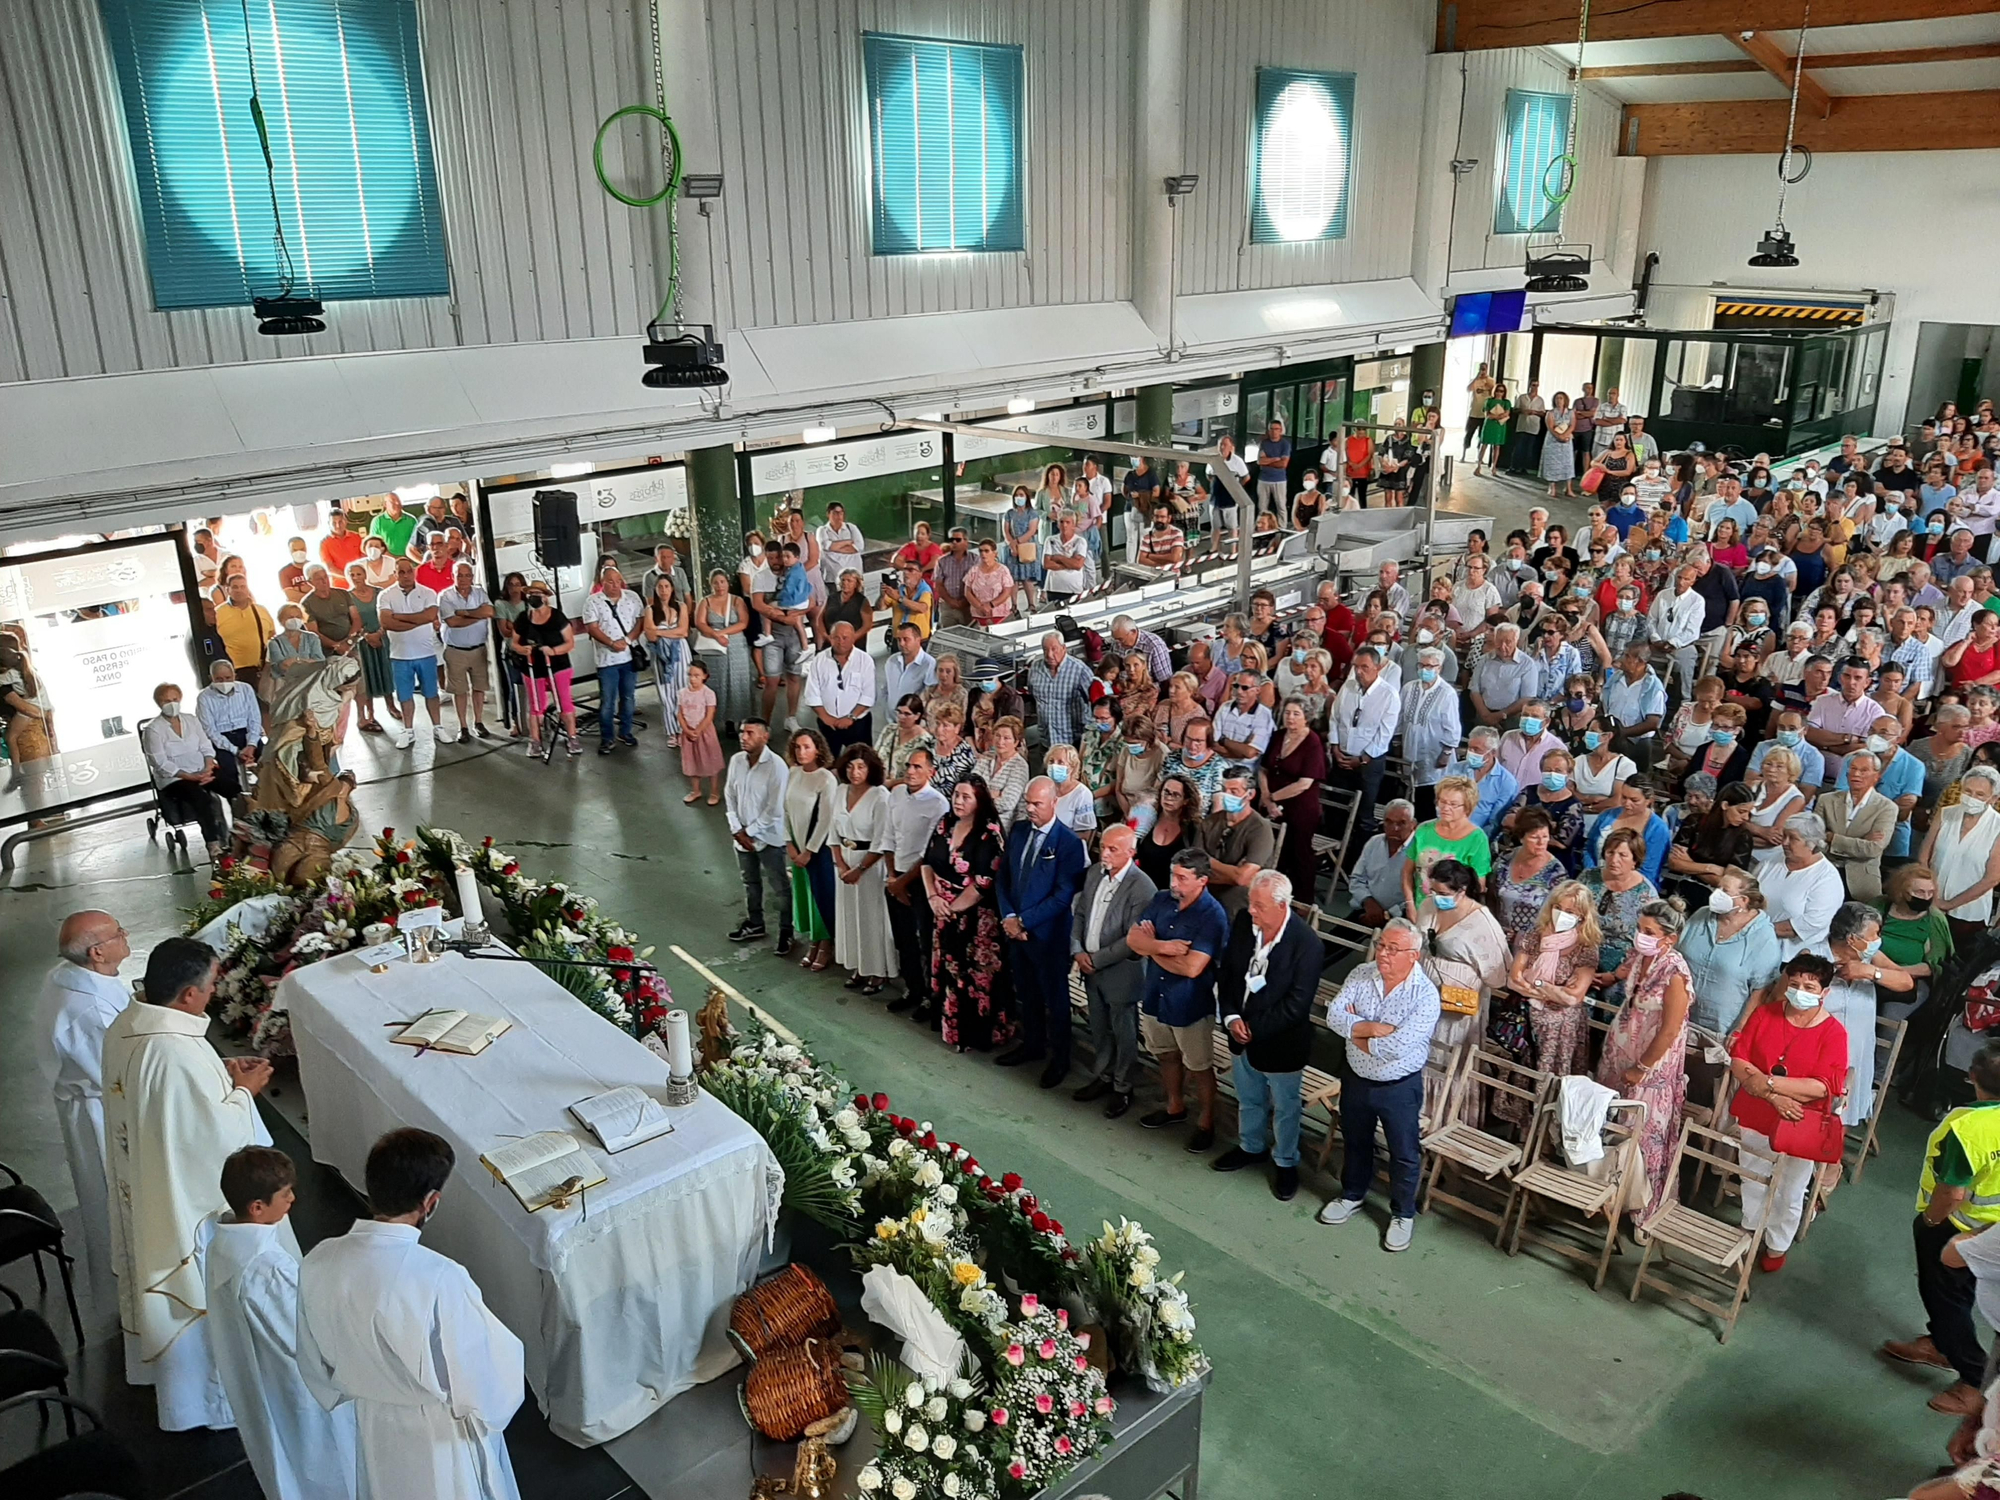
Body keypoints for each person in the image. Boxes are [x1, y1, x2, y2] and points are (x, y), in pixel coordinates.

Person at [104, 937, 274, 1429]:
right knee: (200, 1293)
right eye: (212, 984)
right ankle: (207, 1406)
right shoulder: (173, 1050)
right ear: (187, 997)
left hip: (145, 1181)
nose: (215, 991)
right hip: (184, 1204)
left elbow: (161, 1103)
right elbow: (215, 1141)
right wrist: (243, 1093)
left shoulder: (129, 1025)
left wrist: (218, 1075)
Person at [298, 1129, 524, 1500]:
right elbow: (488, 1381)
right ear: (430, 1202)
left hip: (372, 1425)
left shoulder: (319, 1259)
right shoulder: (439, 1277)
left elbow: (313, 1362)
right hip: (436, 1433)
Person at [202, 1147, 358, 1500]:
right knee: (324, 1461)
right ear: (257, 1207)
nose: (293, 1199)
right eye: (285, 1193)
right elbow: (304, 1338)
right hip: (297, 1386)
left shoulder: (222, 1240)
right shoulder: (266, 1267)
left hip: (259, 1373)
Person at [1884, 1044, 2000, 1418]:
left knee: (1944, 1296)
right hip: (1993, 1230)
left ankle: (1972, 1377)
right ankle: (1940, 1344)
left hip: (1957, 1227)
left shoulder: (1968, 1128)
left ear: (1972, 1077)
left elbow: (1952, 1191)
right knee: (1960, 1294)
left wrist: (1931, 1223)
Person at [1316, 919, 1440, 1252]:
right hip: (1356, 1077)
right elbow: (1334, 1017)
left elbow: (1397, 1047)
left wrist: (1355, 1033)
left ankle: (1402, 1213)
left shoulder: (1425, 996)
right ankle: (1352, 1194)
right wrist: (1370, 1026)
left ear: (1412, 956)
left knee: (1403, 1152)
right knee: (1355, 1140)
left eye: (1393, 949)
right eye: (1381, 945)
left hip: (1398, 1087)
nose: (1382, 953)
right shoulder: (1361, 973)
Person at [1207, 870, 1326, 1202]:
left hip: (1282, 1043)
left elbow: (1297, 1005)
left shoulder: (1307, 945)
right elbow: (1229, 972)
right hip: (1239, 1032)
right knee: (1249, 1098)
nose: (1252, 911)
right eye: (1251, 903)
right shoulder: (1246, 922)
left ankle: (1286, 1161)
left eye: (1259, 905)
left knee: (1286, 1108)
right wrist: (1231, 1017)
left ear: (1281, 905)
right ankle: (1251, 1146)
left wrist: (1253, 1029)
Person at [35, 909, 131, 1292]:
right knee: (117, 1205)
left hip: (96, 1103)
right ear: (96, 952)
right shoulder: (88, 1011)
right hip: (102, 1115)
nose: (125, 934)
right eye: (117, 933)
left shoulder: (71, 978)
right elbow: (118, 1074)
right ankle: (129, 1297)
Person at [1598, 900, 1693, 1222]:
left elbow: (1669, 1031)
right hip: (1620, 1049)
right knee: (1611, 1126)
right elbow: (1625, 981)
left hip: (1651, 1064)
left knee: (1641, 1133)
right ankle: (1606, 1194)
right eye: (1640, 929)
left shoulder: (1676, 973)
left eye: (1649, 932)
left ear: (1670, 938)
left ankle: (1642, 1208)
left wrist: (1641, 1068)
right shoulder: (1640, 956)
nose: (1641, 936)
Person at [1131, 849, 1232, 1153]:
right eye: (1173, 875)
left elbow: (1192, 968)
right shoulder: (1163, 899)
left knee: (1199, 1066)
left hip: (1190, 1004)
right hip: (1155, 996)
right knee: (1165, 1054)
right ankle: (1174, 1106)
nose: (1174, 882)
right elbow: (1133, 941)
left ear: (1202, 881)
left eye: (1182, 878)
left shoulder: (1212, 916)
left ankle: (1206, 1122)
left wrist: (1150, 948)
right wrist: (1163, 947)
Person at [995, 777, 1089, 1085]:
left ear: (1054, 803)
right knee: (1027, 992)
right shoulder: (1020, 831)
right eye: (1028, 802)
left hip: (1048, 936)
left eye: (1037, 803)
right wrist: (1009, 916)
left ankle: (1060, 1059)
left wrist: (1023, 922)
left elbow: (1063, 896)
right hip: (1016, 932)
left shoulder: (1070, 843)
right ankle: (1032, 1045)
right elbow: (1004, 878)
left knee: (1056, 999)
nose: (1031, 808)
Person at [1070, 824, 1158, 1119]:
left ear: (1131, 853)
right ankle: (1103, 1076)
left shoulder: (1143, 887)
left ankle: (1123, 1087)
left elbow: (1132, 940)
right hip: (1089, 967)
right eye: (1103, 847)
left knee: (1123, 1030)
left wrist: (1097, 959)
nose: (1104, 853)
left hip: (1120, 972)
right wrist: (1078, 950)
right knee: (1098, 1026)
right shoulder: (1095, 873)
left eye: (1112, 849)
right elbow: (1080, 913)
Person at [923, 775, 1014, 1052]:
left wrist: (950, 908)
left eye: (966, 797)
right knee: (948, 970)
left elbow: (983, 882)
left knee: (974, 977)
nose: (958, 801)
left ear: (979, 801)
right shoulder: (946, 822)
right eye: (956, 795)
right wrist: (933, 898)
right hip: (942, 908)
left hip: (975, 917)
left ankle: (976, 1035)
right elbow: (927, 862)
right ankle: (950, 1027)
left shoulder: (989, 832)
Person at [885, 749, 949, 1018]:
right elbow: (888, 837)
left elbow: (928, 853)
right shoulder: (896, 795)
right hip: (894, 876)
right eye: (908, 766)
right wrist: (891, 877)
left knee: (925, 942)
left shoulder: (938, 804)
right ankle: (912, 989)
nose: (910, 771)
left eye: (917, 767)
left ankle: (930, 998)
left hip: (920, 881)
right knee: (903, 940)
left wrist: (902, 883)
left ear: (931, 772)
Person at [831, 744, 897, 996]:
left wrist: (859, 869)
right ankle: (859, 965)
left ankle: (877, 970)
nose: (854, 772)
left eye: (860, 767)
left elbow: (882, 840)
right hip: (845, 863)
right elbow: (832, 832)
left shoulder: (880, 796)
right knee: (850, 916)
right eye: (850, 766)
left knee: (872, 917)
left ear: (871, 769)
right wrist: (841, 864)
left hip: (869, 864)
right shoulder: (840, 791)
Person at [142, 682, 232, 858]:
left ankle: (240, 830)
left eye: (175, 699)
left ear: (180, 698)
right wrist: (189, 777)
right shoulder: (153, 730)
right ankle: (213, 843)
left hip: (201, 770)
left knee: (230, 786)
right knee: (201, 798)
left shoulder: (191, 720)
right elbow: (159, 762)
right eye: (166, 700)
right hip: (175, 779)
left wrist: (208, 767)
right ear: (158, 703)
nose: (172, 703)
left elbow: (206, 746)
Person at [726, 719, 794, 953]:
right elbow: (730, 796)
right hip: (742, 838)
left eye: (750, 733)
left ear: (765, 736)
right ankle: (755, 923)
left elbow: (774, 809)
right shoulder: (736, 761)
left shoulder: (777, 767)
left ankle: (787, 931)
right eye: (742, 732)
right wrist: (736, 829)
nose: (743, 737)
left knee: (780, 887)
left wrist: (749, 832)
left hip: (770, 839)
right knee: (750, 883)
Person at [1922, 764, 2000, 951]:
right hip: (1930, 902)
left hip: (1968, 914)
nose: (1971, 798)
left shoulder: (1997, 826)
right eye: (1968, 791)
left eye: (1980, 794)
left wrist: (1949, 904)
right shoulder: (1946, 813)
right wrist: (1931, 894)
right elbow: (1924, 855)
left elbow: (1992, 878)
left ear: (1993, 798)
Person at [784, 728, 840, 972]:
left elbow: (826, 819)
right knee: (805, 894)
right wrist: (789, 843)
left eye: (807, 747)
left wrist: (809, 851)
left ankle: (826, 942)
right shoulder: (793, 773)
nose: (801, 752)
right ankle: (814, 941)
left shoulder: (826, 779)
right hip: (796, 843)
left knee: (821, 895)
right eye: (797, 747)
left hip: (818, 848)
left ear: (818, 749)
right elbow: (784, 809)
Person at [376, 556, 444, 750]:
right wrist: (418, 619)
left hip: (426, 653)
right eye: (401, 572)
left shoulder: (428, 593)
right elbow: (387, 623)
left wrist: (399, 617)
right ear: (395, 573)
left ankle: (438, 727)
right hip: (400, 655)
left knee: (432, 693)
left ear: (414, 572)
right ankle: (407, 730)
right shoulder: (386, 596)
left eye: (409, 571)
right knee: (405, 696)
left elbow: (430, 616)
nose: (406, 575)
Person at [1401, 777, 1493, 915]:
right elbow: (1407, 872)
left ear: (1467, 807)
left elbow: (1478, 885)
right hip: (1420, 909)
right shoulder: (1423, 830)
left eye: (1453, 804)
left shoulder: (1477, 839)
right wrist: (1410, 905)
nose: (1445, 808)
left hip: (1455, 914)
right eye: (1442, 801)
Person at [509, 583, 582, 757]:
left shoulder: (557, 617)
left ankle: (572, 737)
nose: (534, 597)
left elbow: (570, 643)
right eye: (531, 594)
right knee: (536, 705)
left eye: (538, 594)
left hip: (558, 665)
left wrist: (554, 651)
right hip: (533, 666)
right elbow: (514, 642)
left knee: (564, 702)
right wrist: (521, 649)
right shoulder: (523, 618)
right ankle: (535, 741)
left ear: (545, 597)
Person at [1199, 767, 1277, 922]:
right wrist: (1233, 873)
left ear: (1250, 794)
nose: (1227, 795)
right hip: (1203, 894)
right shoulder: (1209, 822)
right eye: (1224, 790)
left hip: (1238, 903)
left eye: (1234, 791)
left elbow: (1242, 878)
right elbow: (1194, 865)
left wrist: (1210, 862)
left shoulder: (1260, 829)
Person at [583, 566, 644, 754]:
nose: (615, 585)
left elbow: (640, 621)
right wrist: (610, 642)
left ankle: (625, 732)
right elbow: (592, 627)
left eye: (618, 581)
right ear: (602, 583)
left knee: (628, 697)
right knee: (608, 700)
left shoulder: (632, 597)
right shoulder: (592, 602)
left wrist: (627, 640)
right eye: (610, 581)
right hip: (606, 660)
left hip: (629, 656)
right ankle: (607, 738)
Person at [1820, 749, 1896, 899]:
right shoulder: (1826, 800)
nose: (1856, 774)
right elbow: (1814, 840)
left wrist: (1832, 838)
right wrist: (1860, 839)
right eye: (1853, 769)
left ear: (1876, 776)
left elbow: (1873, 849)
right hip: (1825, 875)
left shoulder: (1887, 807)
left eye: (1864, 770)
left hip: (1861, 883)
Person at [435, 561, 495, 743]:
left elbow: (490, 611)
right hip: (455, 650)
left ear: (472, 576)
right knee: (459, 690)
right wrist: (477, 615)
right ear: (453, 576)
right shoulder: (445, 596)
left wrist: (465, 613)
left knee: (479, 687)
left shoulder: (479, 592)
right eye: (459, 575)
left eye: (467, 575)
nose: (463, 579)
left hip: (478, 649)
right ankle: (463, 726)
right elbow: (452, 622)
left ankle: (478, 722)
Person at [695, 570, 755, 732]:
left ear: (728, 583)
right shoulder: (705, 602)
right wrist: (715, 634)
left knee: (738, 682)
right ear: (710, 584)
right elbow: (700, 623)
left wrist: (721, 633)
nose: (719, 586)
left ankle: (740, 720)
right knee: (716, 682)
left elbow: (743, 622)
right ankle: (715, 720)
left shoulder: (737, 601)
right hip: (713, 648)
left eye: (722, 582)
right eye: (716, 582)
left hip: (735, 645)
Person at [215, 573, 278, 695]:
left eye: (242, 586)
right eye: (235, 587)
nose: (239, 590)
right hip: (234, 673)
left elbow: (271, 635)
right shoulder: (218, 613)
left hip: (261, 670)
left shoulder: (261, 610)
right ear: (227, 590)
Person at [1028, 632, 1094, 748]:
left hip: (1072, 741)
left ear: (1064, 648)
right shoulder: (1035, 668)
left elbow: (1093, 702)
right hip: (1046, 740)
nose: (1049, 654)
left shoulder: (1080, 670)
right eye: (1045, 650)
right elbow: (1033, 695)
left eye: (1054, 649)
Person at [676, 658, 725, 805]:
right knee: (692, 761)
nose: (693, 679)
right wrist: (686, 730)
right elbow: (680, 713)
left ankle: (714, 792)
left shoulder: (708, 693)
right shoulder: (682, 693)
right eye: (690, 675)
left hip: (705, 733)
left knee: (710, 761)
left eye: (697, 675)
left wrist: (698, 730)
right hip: (688, 734)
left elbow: (709, 715)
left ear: (705, 676)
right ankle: (696, 790)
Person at [974, 715, 1032, 833]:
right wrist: (993, 794)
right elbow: (970, 787)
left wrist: (981, 795)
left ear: (1016, 742)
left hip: (1002, 827)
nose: (1000, 742)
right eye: (997, 736)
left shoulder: (1019, 766)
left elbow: (1007, 804)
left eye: (1006, 738)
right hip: (976, 820)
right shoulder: (986, 758)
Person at [965, 537, 1015, 626]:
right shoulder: (974, 570)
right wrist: (979, 607)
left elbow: (1007, 591)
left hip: (999, 614)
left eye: (986, 551)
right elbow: (967, 591)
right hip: (978, 614)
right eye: (981, 551)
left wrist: (990, 605)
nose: (983, 554)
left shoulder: (1003, 570)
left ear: (995, 553)